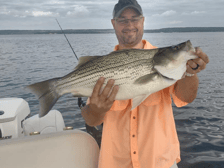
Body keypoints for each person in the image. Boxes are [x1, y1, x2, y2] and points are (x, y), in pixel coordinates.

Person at [81, 0, 209, 167]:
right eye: (122, 19)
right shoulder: (102, 66)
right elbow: (91, 120)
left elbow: (186, 97)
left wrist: (190, 72)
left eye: (135, 18)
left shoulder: (166, 62)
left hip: (160, 162)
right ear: (113, 24)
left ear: (143, 21)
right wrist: (97, 110)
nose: (129, 24)